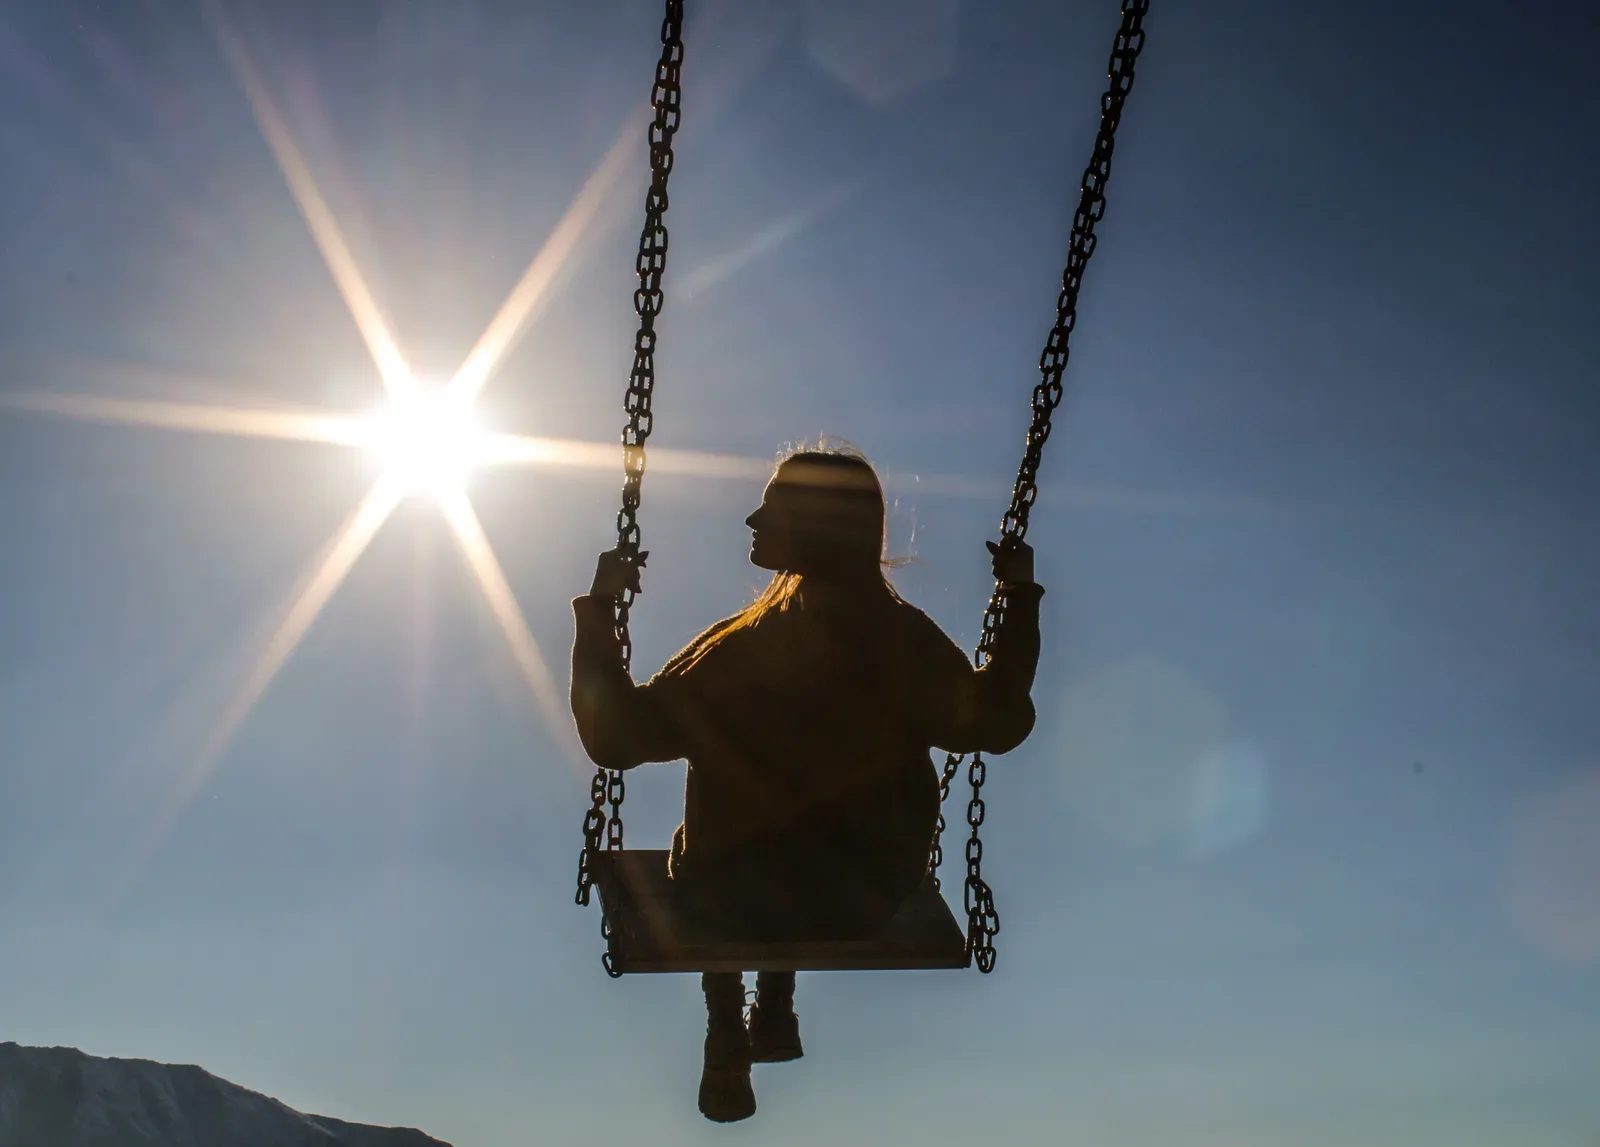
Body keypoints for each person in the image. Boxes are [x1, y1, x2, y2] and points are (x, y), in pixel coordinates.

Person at [570, 446, 1043, 1122]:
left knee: (715, 847)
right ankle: (776, 1008)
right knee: (792, 827)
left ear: (819, 525)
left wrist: (601, 610)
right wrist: (1019, 601)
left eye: (777, 505)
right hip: (860, 896)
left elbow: (619, 736)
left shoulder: (739, 649)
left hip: (733, 895)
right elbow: (996, 719)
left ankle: (727, 1021)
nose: (754, 516)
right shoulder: (903, 641)